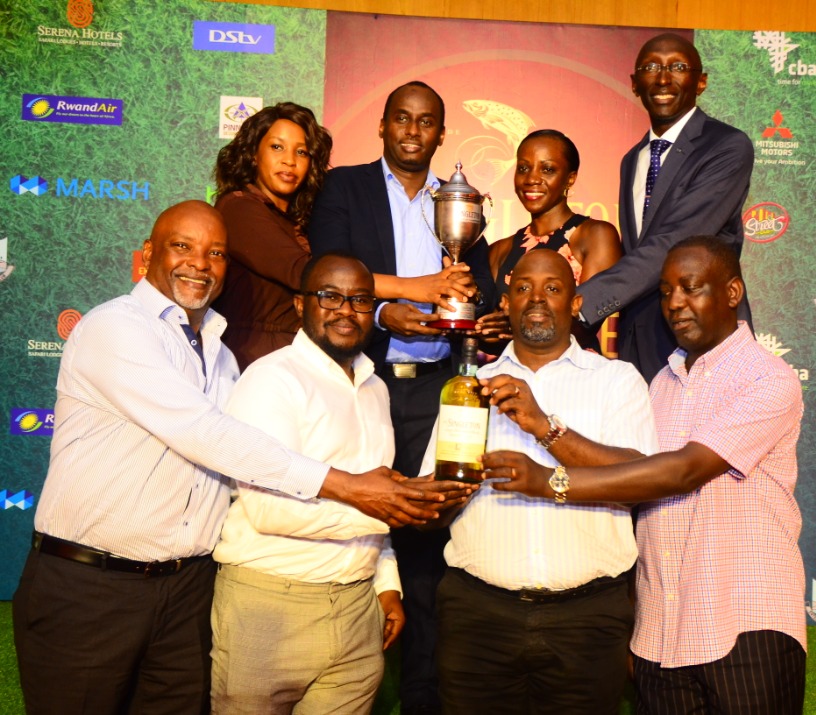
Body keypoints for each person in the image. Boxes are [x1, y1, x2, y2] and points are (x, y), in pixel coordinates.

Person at [12, 201, 465, 715]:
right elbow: (205, 434)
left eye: (217, 253)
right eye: (183, 247)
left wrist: (383, 570)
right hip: (91, 586)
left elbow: (237, 469)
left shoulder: (223, 356)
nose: (200, 263)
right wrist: (350, 487)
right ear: (146, 256)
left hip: (187, 590)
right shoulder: (115, 329)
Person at [485, 236, 806, 714]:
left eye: (691, 288)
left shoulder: (767, 377)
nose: (675, 303)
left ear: (733, 293)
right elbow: (632, 477)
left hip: (744, 622)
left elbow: (683, 471)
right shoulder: (660, 383)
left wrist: (549, 479)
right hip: (661, 635)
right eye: (666, 291)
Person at [309, 81, 496, 715]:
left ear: (442, 134)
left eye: (427, 123)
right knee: (354, 524)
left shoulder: (460, 204)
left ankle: (420, 695)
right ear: (384, 126)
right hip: (366, 384)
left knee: (429, 547)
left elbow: (483, 296)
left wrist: (474, 312)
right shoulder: (345, 188)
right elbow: (329, 268)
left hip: (441, 395)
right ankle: (338, 680)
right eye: (402, 120)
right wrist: (388, 311)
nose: (413, 132)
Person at [425, 248, 658, 714]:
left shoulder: (617, 381)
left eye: (553, 288)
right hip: (479, 619)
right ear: (505, 303)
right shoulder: (471, 388)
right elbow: (433, 505)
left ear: (575, 304)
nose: (537, 298)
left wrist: (542, 425)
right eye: (523, 288)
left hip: (587, 621)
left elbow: (637, 479)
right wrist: (448, 489)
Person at [212, 253, 424, 713]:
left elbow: (376, 488)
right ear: (299, 304)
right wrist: (392, 509)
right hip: (269, 605)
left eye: (361, 300)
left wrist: (386, 585)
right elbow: (270, 510)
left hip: (358, 609)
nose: (346, 310)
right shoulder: (270, 380)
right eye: (330, 296)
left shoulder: (375, 388)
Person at [576, 33, 754, 381]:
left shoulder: (727, 146)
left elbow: (675, 242)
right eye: (651, 67)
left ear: (700, 82)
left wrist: (579, 304)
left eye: (677, 67)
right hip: (638, 342)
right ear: (633, 83)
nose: (662, 78)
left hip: (702, 337)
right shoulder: (633, 159)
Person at [212, 101, 333, 371]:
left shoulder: (302, 219)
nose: (289, 160)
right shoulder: (238, 207)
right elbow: (301, 272)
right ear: (254, 154)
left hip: (301, 362)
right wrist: (408, 287)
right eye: (277, 147)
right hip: (252, 363)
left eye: (301, 152)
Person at [480, 129, 622, 350]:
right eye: (523, 168)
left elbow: (584, 323)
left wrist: (513, 329)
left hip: (576, 376)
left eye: (547, 169)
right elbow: (489, 337)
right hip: (512, 376)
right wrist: (484, 334)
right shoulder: (500, 250)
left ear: (570, 178)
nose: (532, 179)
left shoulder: (596, 236)